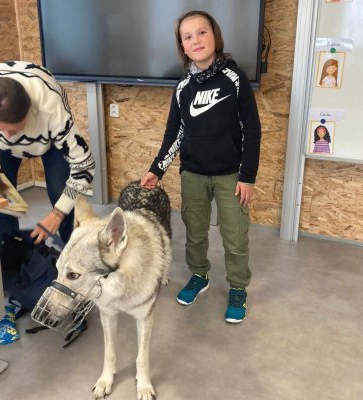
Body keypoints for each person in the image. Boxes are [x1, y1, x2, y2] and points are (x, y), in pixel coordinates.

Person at [141, 11, 261, 323]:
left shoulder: (235, 79)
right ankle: (199, 275)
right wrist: (157, 169)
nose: (196, 40)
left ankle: (238, 287)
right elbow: (174, 133)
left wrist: (247, 177)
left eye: (202, 32)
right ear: (182, 46)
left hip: (231, 176)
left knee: (235, 236)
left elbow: (252, 130)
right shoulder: (183, 87)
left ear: (215, 36)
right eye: (188, 36)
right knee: (194, 233)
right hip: (193, 174)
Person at [0, 61, 95, 245]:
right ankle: (10, 252)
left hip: (50, 141)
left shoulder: (52, 110)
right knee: (0, 203)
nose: (8, 136)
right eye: (0, 129)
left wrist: (57, 214)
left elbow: (84, 166)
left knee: (62, 196)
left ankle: (72, 251)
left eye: (13, 130)